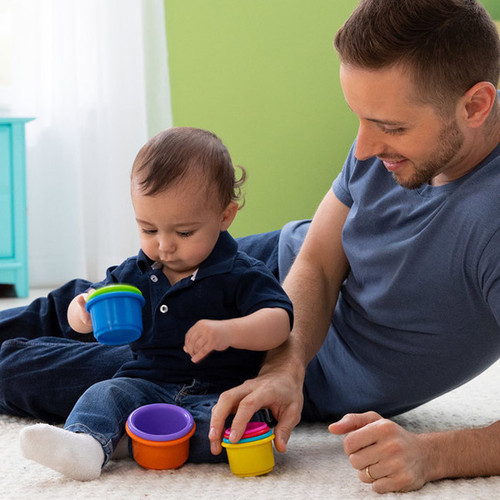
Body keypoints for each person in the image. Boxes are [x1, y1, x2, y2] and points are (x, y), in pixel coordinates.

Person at [0, 0, 499, 493]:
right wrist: (288, 364)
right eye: (360, 119)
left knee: (36, 370)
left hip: (245, 352)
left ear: (476, 105)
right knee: (86, 300)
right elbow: (321, 263)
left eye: (390, 128)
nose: (364, 149)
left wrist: (433, 455)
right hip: (264, 268)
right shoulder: (390, 133)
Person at [16, 126, 293, 481]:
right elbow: (92, 299)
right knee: (106, 393)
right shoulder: (137, 271)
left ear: (225, 216)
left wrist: (229, 331)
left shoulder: (240, 272)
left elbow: (279, 323)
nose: (164, 246)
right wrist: (82, 310)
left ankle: (129, 439)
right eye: (148, 230)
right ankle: (87, 444)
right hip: (145, 382)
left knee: (236, 426)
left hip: (219, 389)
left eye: (184, 233)